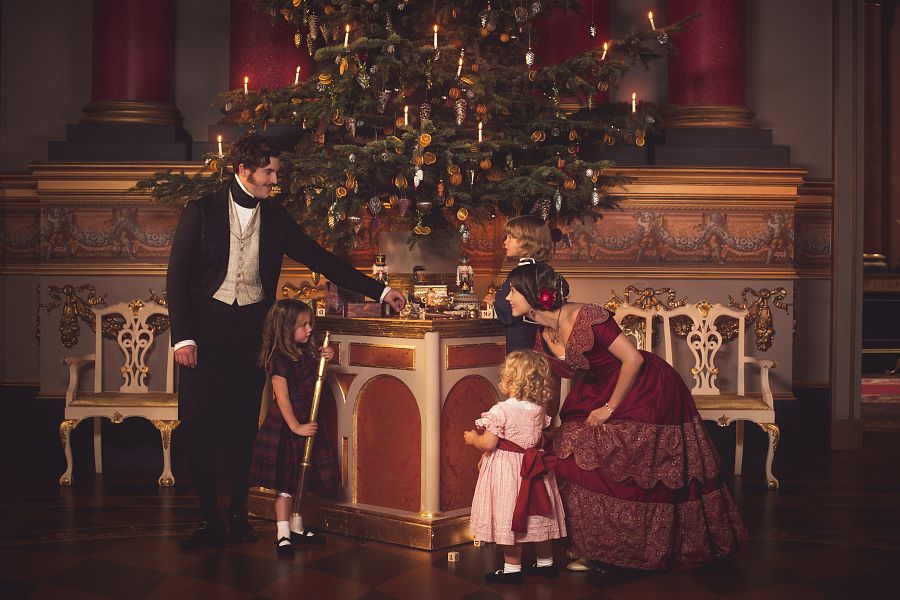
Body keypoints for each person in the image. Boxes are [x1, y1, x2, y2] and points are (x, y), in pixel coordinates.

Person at [167, 134, 405, 549]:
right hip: (202, 341)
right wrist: (183, 338)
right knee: (197, 428)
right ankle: (209, 520)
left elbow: (323, 259)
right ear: (244, 171)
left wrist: (380, 291)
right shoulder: (200, 212)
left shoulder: (275, 219)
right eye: (269, 172)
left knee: (244, 430)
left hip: (250, 340)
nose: (275, 180)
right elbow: (177, 277)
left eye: (275, 172)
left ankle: (238, 515)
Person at [504, 262, 749, 571]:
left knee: (609, 450)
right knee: (563, 448)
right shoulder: (541, 333)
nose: (508, 297)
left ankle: (623, 547)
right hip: (594, 391)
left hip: (643, 388)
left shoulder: (588, 317)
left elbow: (632, 359)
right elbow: (557, 382)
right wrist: (544, 422)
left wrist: (609, 409)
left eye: (513, 290)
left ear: (532, 293)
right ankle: (592, 544)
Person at [464, 350, 567, 585]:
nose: (500, 380)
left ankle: (512, 568)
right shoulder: (539, 409)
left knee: (510, 514)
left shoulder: (501, 410)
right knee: (538, 514)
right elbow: (535, 439)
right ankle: (545, 563)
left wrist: (473, 439)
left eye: (504, 376)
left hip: (508, 472)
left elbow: (489, 443)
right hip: (533, 467)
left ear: (513, 382)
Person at [249, 299, 335, 556]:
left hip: (306, 419)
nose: (310, 330)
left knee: (302, 480)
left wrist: (326, 356)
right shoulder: (279, 360)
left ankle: (297, 525)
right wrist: (296, 427)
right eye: (304, 325)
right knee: (287, 484)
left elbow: (316, 367)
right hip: (288, 425)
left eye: (310, 324)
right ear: (286, 329)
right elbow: (282, 399)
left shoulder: (306, 352)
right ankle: (283, 533)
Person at [482, 215, 553, 352]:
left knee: (521, 369)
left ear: (525, 241)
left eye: (509, 237)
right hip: (541, 335)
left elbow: (509, 308)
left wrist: (495, 301)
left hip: (522, 337)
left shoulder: (522, 273)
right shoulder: (544, 269)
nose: (505, 242)